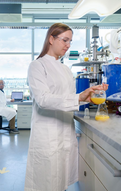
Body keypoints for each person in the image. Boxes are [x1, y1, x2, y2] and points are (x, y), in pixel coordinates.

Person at [24, 23, 108, 191]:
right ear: (51, 39)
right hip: (47, 135)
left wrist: (87, 98)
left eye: (70, 41)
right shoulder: (37, 66)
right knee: (45, 183)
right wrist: (78, 97)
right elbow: (43, 99)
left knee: (60, 183)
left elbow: (68, 99)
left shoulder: (65, 70)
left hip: (65, 134)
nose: (68, 45)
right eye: (64, 40)